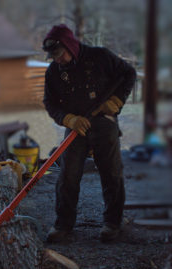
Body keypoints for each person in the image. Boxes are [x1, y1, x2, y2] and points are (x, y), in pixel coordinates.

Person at [42, 24, 136, 242]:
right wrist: (67, 119)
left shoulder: (101, 57)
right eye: (54, 56)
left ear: (71, 46)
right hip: (76, 126)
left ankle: (113, 223)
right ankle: (63, 225)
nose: (58, 59)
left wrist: (117, 100)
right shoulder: (53, 72)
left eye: (60, 54)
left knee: (111, 173)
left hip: (104, 122)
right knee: (68, 176)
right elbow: (50, 102)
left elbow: (128, 73)